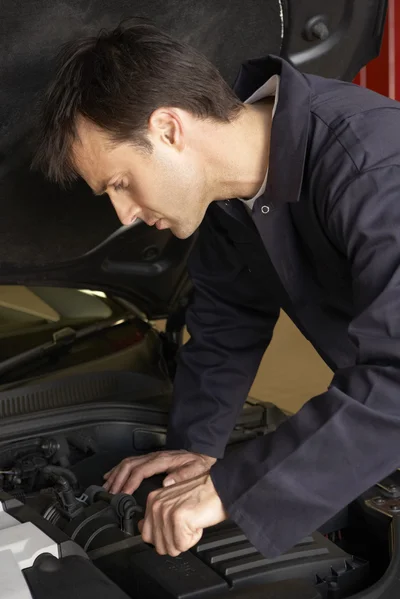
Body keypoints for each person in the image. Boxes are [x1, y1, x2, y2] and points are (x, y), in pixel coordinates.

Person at [33, 19, 400, 559]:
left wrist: (233, 487)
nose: (125, 213)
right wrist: (195, 451)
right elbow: (227, 321)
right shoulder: (235, 200)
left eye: (120, 182)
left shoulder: (373, 168)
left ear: (168, 129)